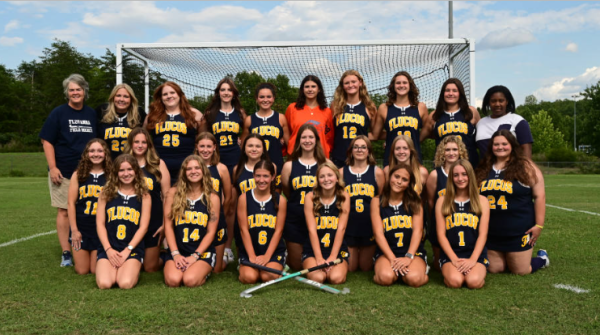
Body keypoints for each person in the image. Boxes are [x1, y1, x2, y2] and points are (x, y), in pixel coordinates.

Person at [40, 73, 97, 267]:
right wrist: (53, 167)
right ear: (67, 93)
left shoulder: (91, 114)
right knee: (64, 211)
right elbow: (47, 140)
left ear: (84, 91)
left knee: (88, 210)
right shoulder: (58, 113)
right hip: (63, 171)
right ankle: (66, 252)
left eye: (78, 89)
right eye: (71, 90)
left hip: (88, 173)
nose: (75, 93)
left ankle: (90, 245)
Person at [476, 130, 549, 275]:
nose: (500, 147)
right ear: (491, 146)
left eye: (504, 144)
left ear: (512, 145)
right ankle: (509, 257)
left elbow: (539, 196)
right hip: (492, 231)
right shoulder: (484, 167)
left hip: (518, 229)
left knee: (521, 270)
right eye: (496, 144)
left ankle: (542, 258)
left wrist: (539, 225)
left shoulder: (525, 166)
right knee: (494, 268)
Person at [163, 155, 220, 287]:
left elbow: (211, 232)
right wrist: (175, 254)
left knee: (190, 280)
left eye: (197, 168)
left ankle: (203, 268)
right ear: (184, 172)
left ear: (203, 171)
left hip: (201, 252)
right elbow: (169, 226)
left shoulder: (212, 197)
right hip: (179, 250)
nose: (193, 171)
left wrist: (195, 256)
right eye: (189, 169)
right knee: (173, 280)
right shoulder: (173, 193)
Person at [95, 154, 151, 289]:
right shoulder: (106, 193)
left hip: (131, 249)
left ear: (136, 171)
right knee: (105, 283)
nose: (126, 174)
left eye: (130, 169)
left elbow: (143, 227)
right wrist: (108, 249)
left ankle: (132, 268)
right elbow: (100, 224)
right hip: (110, 247)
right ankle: (113, 267)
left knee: (125, 283)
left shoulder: (144, 195)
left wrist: (128, 250)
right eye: (121, 170)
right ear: (116, 173)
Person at [370, 164, 428, 287]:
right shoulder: (377, 201)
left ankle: (420, 270)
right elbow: (378, 234)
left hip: (412, 252)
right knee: (385, 278)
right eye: (396, 177)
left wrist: (408, 256)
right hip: (387, 253)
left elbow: (418, 231)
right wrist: (392, 259)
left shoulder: (415, 201)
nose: (399, 181)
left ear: (409, 184)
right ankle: (388, 270)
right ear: (389, 176)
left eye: (404, 179)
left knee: (414, 279)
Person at [281, 123, 329, 270]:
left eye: (311, 137)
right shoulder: (289, 166)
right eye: (304, 137)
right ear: (298, 140)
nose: (307, 140)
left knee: (317, 264)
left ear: (316, 140)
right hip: (295, 219)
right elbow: (288, 191)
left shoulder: (326, 164)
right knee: (297, 266)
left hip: (320, 218)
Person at [435, 159, 489, 289]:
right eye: (456, 175)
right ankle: (450, 271)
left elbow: (483, 234)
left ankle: (477, 272)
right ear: (451, 178)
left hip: (474, 254)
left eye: (464, 174)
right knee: (455, 282)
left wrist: (473, 259)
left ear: (470, 175)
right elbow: (441, 234)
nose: (460, 178)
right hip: (451, 254)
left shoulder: (482, 201)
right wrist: (453, 259)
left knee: (473, 282)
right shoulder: (442, 201)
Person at [124, 127, 171, 272]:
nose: (140, 145)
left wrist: (165, 224)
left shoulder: (158, 164)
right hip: (129, 219)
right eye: (136, 142)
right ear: (131, 143)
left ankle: (164, 256)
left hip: (153, 221)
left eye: (143, 142)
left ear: (149, 145)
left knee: (150, 268)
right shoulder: (123, 164)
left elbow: (167, 195)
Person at [237, 160, 288, 284]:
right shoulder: (244, 198)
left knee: (267, 276)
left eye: (265, 176)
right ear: (253, 176)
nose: (261, 180)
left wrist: (267, 256)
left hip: (273, 251)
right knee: (249, 278)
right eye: (258, 176)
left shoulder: (280, 200)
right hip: (251, 249)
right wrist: (252, 256)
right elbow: (244, 230)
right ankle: (244, 266)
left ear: (272, 177)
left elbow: (278, 231)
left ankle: (279, 265)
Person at [339, 136, 384, 271]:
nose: (359, 150)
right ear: (351, 151)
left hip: (369, 225)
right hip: (350, 224)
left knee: (365, 267)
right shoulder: (341, 172)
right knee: (351, 268)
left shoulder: (377, 172)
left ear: (369, 151)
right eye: (356, 147)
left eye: (363, 147)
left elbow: (381, 199)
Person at [67, 139, 112, 275]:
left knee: (94, 270)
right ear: (86, 154)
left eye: (99, 151)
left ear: (105, 153)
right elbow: (70, 203)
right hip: (82, 227)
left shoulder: (111, 175)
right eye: (92, 151)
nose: (95, 154)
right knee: (82, 270)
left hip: (102, 228)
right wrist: (74, 230)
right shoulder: (78, 174)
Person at [144, 81, 202, 185]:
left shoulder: (194, 114)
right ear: (161, 97)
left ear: (179, 94)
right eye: (165, 94)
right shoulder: (152, 116)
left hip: (187, 167)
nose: (169, 96)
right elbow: (143, 138)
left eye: (172, 92)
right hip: (158, 167)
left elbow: (203, 139)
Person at [425, 135, 469, 270]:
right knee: (439, 267)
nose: (451, 153)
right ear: (442, 152)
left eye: (454, 149)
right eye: (447, 150)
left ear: (460, 151)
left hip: (462, 222)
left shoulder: (467, 172)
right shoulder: (435, 175)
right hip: (442, 221)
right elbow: (431, 201)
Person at [303, 162, 350, 284]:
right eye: (322, 176)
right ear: (318, 180)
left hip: (337, 250)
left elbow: (341, 229)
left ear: (336, 177)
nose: (326, 179)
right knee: (318, 278)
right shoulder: (310, 197)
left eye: (330, 175)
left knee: (336, 278)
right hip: (314, 251)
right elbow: (311, 230)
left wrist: (333, 257)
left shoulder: (344, 196)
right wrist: (319, 258)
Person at [230, 134, 274, 259]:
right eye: (250, 146)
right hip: (244, 217)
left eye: (257, 146)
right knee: (245, 259)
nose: (254, 149)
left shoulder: (272, 167)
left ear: (263, 149)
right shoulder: (237, 169)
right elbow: (235, 196)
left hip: (265, 217)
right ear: (244, 149)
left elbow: (275, 195)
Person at [372, 71, 429, 165]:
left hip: (414, 159)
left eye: (404, 83)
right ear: (393, 86)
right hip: (391, 159)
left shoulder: (420, 107)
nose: (401, 85)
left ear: (410, 85)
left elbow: (426, 132)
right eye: (398, 83)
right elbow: (376, 135)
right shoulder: (384, 108)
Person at [195, 132, 232, 272]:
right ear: (197, 147)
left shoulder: (221, 168)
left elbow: (228, 197)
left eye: (209, 146)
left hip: (216, 219)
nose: (205, 150)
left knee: (216, 270)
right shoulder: (191, 167)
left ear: (214, 147)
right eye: (202, 146)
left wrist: (221, 214)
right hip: (195, 219)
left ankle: (224, 260)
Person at [241, 83, 290, 189]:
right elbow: (243, 145)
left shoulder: (280, 118)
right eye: (261, 97)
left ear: (273, 98)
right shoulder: (249, 120)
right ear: (256, 98)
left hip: (276, 161)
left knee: (275, 197)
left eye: (269, 96)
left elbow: (289, 143)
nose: (265, 100)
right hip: (255, 166)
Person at [424, 78, 480, 168]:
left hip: (469, 165)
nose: (450, 93)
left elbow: (481, 138)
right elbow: (419, 137)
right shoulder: (434, 115)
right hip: (444, 166)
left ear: (460, 93)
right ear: (443, 93)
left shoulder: (471, 111)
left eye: (454, 91)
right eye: (447, 91)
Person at [201, 78, 247, 179]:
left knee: (234, 187)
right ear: (218, 93)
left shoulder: (240, 112)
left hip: (235, 156)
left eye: (229, 90)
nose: (226, 93)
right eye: (223, 90)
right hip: (216, 157)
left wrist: (241, 140)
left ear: (234, 93)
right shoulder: (210, 113)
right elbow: (201, 136)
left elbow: (247, 130)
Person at [330, 70, 377, 168]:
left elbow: (374, 134)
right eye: (347, 83)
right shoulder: (335, 105)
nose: (350, 85)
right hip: (338, 157)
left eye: (353, 82)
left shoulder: (369, 107)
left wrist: (361, 136)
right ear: (343, 86)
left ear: (360, 83)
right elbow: (331, 132)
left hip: (360, 158)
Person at [476, 85, 533, 158]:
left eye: (501, 100)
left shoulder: (518, 121)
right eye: (493, 101)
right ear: (488, 102)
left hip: (512, 168)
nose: (497, 104)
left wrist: (525, 168)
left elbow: (526, 151)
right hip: (485, 169)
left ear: (507, 102)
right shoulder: (480, 123)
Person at [285, 75, 334, 158]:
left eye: (313, 86)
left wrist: (325, 149)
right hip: (296, 156)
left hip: (319, 156)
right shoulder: (292, 108)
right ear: (302, 90)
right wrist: (291, 147)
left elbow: (329, 137)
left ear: (319, 89)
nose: (310, 89)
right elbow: (287, 131)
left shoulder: (327, 111)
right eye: (307, 87)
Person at [97, 83, 146, 160]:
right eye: (118, 95)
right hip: (107, 164)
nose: (121, 99)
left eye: (126, 96)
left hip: (131, 164)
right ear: (113, 97)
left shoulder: (139, 114)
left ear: (131, 99)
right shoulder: (102, 111)